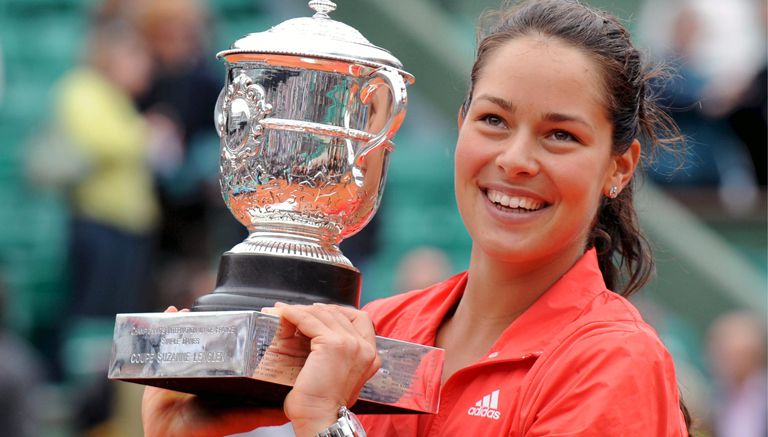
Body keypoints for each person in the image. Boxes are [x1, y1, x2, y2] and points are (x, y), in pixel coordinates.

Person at [141, 1, 693, 435]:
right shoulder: (379, 329)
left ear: (618, 167)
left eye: (560, 136)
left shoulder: (613, 362)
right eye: (494, 120)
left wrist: (329, 427)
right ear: (461, 124)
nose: (516, 160)